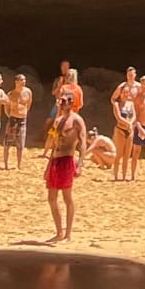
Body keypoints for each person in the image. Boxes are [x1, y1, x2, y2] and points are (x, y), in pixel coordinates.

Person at [45, 93, 88, 242]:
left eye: (65, 101)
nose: (62, 103)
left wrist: (80, 164)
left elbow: (83, 143)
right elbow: (54, 143)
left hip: (67, 159)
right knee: (51, 198)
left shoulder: (77, 120)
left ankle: (68, 234)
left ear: (71, 102)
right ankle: (59, 232)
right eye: (61, 101)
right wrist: (48, 166)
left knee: (67, 197)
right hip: (55, 161)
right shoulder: (57, 121)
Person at [4, 73, 32, 169]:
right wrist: (11, 115)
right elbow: (6, 108)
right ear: (16, 82)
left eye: (24, 80)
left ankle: (19, 164)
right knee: (8, 142)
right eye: (21, 80)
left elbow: (28, 105)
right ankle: (6, 164)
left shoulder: (28, 92)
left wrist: (23, 113)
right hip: (13, 118)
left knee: (20, 143)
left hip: (22, 119)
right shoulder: (11, 94)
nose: (24, 82)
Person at [112, 84, 137, 182]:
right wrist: (128, 123)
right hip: (120, 130)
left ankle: (124, 176)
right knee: (119, 154)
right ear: (120, 93)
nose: (126, 94)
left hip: (129, 130)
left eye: (127, 92)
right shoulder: (117, 104)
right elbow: (118, 117)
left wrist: (130, 123)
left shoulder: (131, 104)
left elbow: (134, 115)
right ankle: (116, 175)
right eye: (124, 92)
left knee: (127, 155)